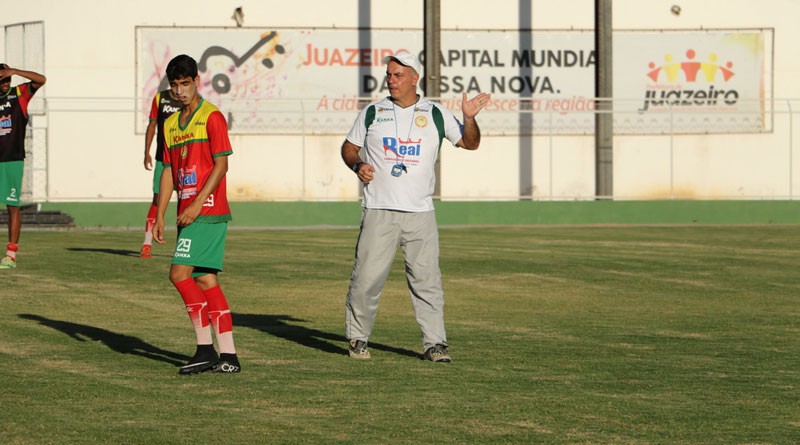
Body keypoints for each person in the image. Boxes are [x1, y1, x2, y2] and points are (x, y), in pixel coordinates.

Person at [340, 50, 490, 363]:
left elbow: (470, 143)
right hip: (379, 210)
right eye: (389, 75)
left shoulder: (435, 113)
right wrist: (358, 166)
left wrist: (470, 118)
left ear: (414, 78)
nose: (391, 80)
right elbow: (349, 148)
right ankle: (357, 340)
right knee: (366, 280)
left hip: (421, 213)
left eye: (397, 75)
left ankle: (435, 345)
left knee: (428, 283)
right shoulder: (373, 112)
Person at [152, 54, 240, 374]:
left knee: (178, 274)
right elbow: (167, 172)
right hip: (187, 212)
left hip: (206, 210)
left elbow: (222, 165)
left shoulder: (212, 117)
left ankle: (205, 349)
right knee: (205, 279)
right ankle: (228, 356)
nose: (180, 91)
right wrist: (160, 215)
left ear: (196, 82)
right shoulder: (172, 123)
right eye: (174, 85)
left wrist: (195, 204)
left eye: (185, 84)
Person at [0, 64, 46, 270]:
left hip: (12, 160)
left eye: (7, 80)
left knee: (12, 206)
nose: (5, 84)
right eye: (2, 80)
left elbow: (41, 80)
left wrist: (15, 71)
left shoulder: (19, 94)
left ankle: (10, 255)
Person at [140, 88, 181, 258]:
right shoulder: (160, 98)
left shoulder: (190, 100)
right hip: (162, 159)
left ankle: (183, 245)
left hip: (182, 158)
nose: (178, 87)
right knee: (157, 199)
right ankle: (147, 244)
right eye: (175, 81)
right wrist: (146, 152)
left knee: (185, 200)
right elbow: (152, 125)